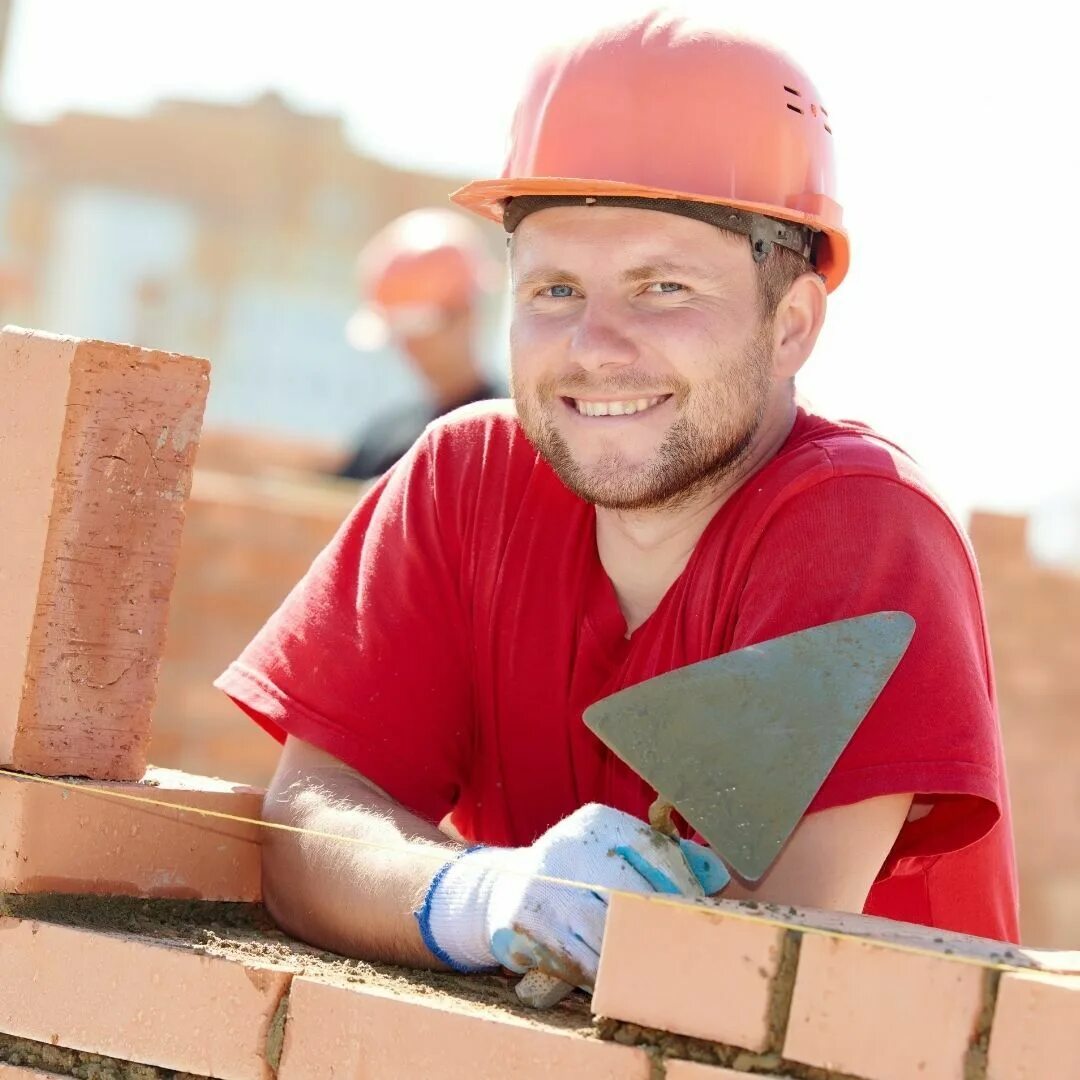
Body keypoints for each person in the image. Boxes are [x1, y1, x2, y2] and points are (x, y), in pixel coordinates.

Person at [216, 12, 1019, 992]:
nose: (594, 346)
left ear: (793, 323)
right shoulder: (462, 480)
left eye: (663, 286)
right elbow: (309, 816)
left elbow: (748, 970)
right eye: (554, 289)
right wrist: (475, 897)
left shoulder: (860, 525)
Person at [337, 208, 502, 480]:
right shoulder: (384, 437)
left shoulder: (510, 436)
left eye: (418, 326)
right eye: (398, 330)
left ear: (467, 314)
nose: (408, 345)